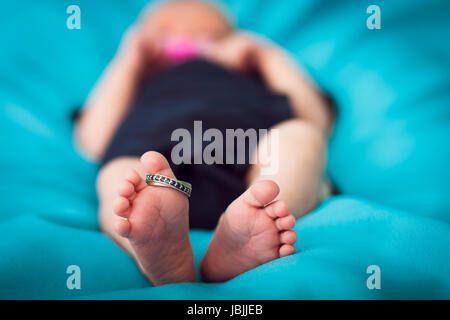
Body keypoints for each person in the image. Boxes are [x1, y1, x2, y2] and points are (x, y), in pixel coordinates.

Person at [75, 0, 333, 285]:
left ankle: (249, 228)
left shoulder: (250, 72)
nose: (188, 40)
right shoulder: (138, 81)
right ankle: (156, 249)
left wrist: (265, 55)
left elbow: (314, 119)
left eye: (210, 35)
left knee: (299, 137)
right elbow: (93, 142)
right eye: (164, 32)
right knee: (119, 172)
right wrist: (128, 60)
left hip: (253, 166)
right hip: (157, 173)